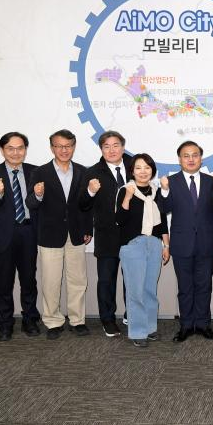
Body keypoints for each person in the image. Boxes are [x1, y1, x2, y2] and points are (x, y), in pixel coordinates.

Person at [26, 129, 92, 340]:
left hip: (76, 233)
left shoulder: (82, 171)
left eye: (68, 146)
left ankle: (77, 320)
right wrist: (37, 195)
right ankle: (53, 321)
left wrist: (88, 229)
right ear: (52, 147)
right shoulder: (40, 172)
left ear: (74, 146)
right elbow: (30, 203)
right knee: (51, 281)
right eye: (59, 146)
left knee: (78, 280)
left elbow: (86, 204)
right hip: (49, 234)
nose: (64, 150)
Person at [0, 132, 40, 341]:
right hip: (3, 234)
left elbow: (39, 204)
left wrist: (39, 195)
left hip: (28, 232)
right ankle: (5, 324)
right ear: (2, 150)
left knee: (29, 280)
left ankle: (30, 320)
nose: (16, 153)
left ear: (25, 149)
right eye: (10, 148)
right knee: (4, 282)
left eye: (20, 148)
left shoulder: (35, 172)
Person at [157, 141, 213, 342]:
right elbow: (163, 208)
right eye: (186, 155)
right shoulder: (170, 182)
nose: (191, 159)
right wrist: (164, 190)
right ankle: (186, 325)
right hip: (182, 243)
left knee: (204, 286)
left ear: (201, 158)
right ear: (179, 159)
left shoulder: (211, 181)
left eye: (195, 155)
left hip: (206, 242)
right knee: (185, 288)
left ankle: (203, 324)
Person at [79, 130, 133, 337]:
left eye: (116, 145)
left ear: (123, 146)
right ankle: (108, 319)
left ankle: (132, 314)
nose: (112, 150)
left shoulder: (136, 166)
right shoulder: (92, 172)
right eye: (106, 146)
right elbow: (83, 205)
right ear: (101, 149)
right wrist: (90, 191)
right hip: (107, 235)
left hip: (133, 235)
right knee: (106, 281)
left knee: (133, 279)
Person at [115, 154, 169, 347]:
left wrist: (166, 245)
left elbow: (162, 221)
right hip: (133, 245)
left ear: (152, 170)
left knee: (150, 290)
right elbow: (119, 220)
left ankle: (150, 327)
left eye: (147, 167)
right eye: (138, 167)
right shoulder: (125, 190)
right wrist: (128, 197)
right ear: (132, 171)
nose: (143, 171)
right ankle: (137, 331)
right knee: (135, 291)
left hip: (154, 243)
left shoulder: (156, 191)